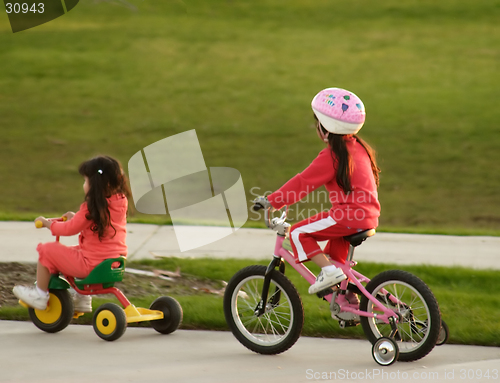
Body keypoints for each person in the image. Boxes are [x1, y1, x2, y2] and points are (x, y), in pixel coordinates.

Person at [254, 87, 380, 295]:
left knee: (297, 232)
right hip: (367, 215)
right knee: (334, 259)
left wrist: (272, 201)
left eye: (317, 123)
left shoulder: (333, 155)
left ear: (326, 127)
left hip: (348, 216)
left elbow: (303, 183)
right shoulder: (358, 147)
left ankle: (329, 273)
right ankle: (348, 301)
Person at [13, 155, 131, 311]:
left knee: (47, 251)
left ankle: (39, 295)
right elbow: (92, 223)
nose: (84, 184)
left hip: (90, 265)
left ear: (95, 184)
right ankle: (82, 300)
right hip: (112, 261)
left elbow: (69, 229)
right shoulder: (120, 202)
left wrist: (49, 224)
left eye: (85, 181)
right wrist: (76, 218)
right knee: (76, 250)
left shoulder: (91, 207)